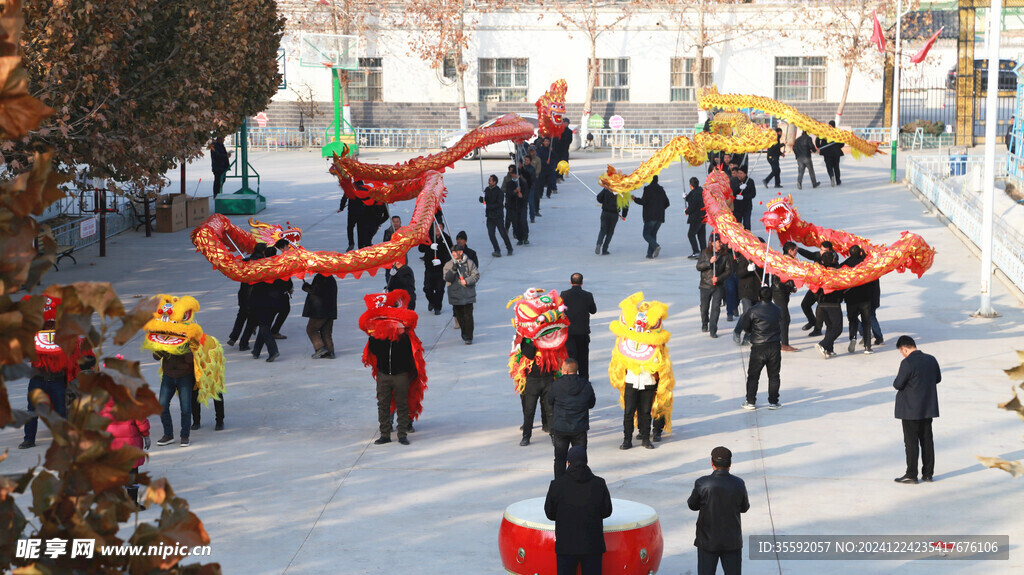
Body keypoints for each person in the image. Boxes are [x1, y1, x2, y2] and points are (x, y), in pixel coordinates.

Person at [544, 446, 612, 575]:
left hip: (566, 546)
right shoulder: (599, 483)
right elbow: (607, 511)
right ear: (586, 462)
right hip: (592, 545)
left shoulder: (556, 485)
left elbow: (550, 513)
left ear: (568, 463)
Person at [687, 446, 750, 575]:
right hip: (732, 541)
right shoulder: (739, 483)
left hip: (707, 542)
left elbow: (692, 505)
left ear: (712, 463)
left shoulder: (702, 483)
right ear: (730, 464)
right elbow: (744, 508)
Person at [893, 336, 941, 484]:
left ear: (904, 348)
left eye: (902, 351)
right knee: (927, 441)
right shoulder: (931, 359)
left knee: (911, 442)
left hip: (909, 410)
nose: (902, 354)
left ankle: (911, 474)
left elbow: (898, 384)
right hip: (927, 407)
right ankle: (927, 474)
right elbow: (938, 378)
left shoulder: (907, 362)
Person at [546, 359, 596, 479]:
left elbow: (549, 402)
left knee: (559, 459)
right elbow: (591, 403)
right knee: (580, 460)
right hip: (579, 428)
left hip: (561, 428)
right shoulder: (586, 385)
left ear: (565, 370)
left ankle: (559, 484)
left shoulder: (556, 385)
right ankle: (580, 483)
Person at [369, 323, 416, 446]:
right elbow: (373, 350)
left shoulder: (404, 336)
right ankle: (384, 434)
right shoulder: (379, 336)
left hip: (400, 374)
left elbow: (409, 353)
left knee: (402, 404)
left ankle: (402, 435)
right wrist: (374, 336)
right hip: (383, 374)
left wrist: (401, 334)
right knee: (383, 404)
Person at [738, 288, 783, 410]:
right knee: (774, 375)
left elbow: (746, 327)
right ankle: (773, 402)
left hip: (758, 346)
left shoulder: (753, 311)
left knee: (753, 376)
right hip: (774, 346)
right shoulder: (777, 310)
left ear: (759, 297)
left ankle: (751, 401)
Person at [100, 398, 150, 506]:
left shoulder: (103, 401)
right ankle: (132, 503)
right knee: (132, 473)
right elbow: (140, 419)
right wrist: (146, 434)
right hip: (130, 445)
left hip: (112, 444)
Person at [248, 247, 284, 362]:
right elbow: (286, 284)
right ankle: (256, 351)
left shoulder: (260, 268)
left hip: (261, 302)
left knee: (264, 327)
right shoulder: (279, 268)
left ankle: (273, 351)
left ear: (264, 254)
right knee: (265, 326)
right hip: (275, 303)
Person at [154, 345, 195, 447]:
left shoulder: (188, 335)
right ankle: (168, 435)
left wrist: (183, 348)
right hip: (168, 376)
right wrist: (162, 348)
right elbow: (156, 356)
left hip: (185, 376)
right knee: (162, 405)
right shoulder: (165, 336)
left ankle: (185, 436)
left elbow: (190, 360)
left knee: (185, 408)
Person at [226, 243, 265, 348]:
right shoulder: (263, 263)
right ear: (263, 252)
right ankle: (243, 343)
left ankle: (233, 337)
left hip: (243, 294)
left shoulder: (245, 261)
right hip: (254, 295)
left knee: (241, 316)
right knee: (251, 320)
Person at [519, 337, 556, 446]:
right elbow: (529, 354)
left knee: (550, 410)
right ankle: (526, 436)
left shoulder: (551, 336)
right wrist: (533, 340)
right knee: (529, 410)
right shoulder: (525, 340)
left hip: (548, 378)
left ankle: (554, 435)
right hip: (532, 380)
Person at [697, 234, 733, 338]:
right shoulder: (705, 252)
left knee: (716, 308)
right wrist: (709, 262)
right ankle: (705, 322)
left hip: (718, 286)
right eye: (718, 242)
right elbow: (698, 266)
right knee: (704, 308)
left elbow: (728, 271)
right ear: (712, 243)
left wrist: (719, 278)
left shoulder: (725, 255)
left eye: (721, 242)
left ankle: (713, 329)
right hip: (705, 285)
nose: (721, 244)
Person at [562, 273, 597, 382]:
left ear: (570, 282)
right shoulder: (588, 295)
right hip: (583, 332)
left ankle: (570, 378)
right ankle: (584, 380)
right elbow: (593, 310)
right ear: (582, 282)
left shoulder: (564, 294)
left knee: (571, 356)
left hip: (569, 331)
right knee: (583, 357)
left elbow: (559, 310)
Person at [840, 245, 874, 354]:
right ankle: (867, 347)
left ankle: (853, 338)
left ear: (849, 253)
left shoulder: (845, 264)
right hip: (865, 297)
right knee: (866, 322)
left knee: (853, 321)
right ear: (860, 253)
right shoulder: (865, 264)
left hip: (851, 299)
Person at [443, 246, 480, 344]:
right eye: (452, 252)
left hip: (468, 294)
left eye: (455, 252)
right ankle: (464, 331)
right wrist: (453, 270)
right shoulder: (448, 264)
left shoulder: (470, 263)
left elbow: (476, 275)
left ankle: (469, 336)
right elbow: (447, 278)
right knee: (460, 316)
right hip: (455, 294)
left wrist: (467, 281)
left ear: (461, 252)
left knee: (468, 315)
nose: (454, 253)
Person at [797, 240, 834, 336]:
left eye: (825, 250)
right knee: (805, 304)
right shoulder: (818, 255)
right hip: (815, 286)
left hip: (825, 288)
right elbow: (809, 254)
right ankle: (812, 321)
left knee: (820, 309)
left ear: (830, 251)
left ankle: (818, 329)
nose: (822, 252)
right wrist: (798, 249)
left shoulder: (833, 258)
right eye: (821, 250)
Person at [631, 174, 670, 259]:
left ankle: (656, 246)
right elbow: (667, 203)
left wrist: (635, 199)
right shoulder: (661, 189)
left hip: (650, 216)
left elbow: (643, 202)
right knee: (653, 234)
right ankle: (649, 254)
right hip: (660, 217)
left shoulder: (648, 189)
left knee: (646, 234)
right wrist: (660, 209)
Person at [813, 251, 843, 359]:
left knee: (830, 327)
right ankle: (823, 344)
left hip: (821, 303)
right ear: (833, 260)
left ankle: (829, 349)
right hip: (833, 303)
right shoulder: (836, 271)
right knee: (837, 328)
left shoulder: (818, 271)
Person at [418, 221, 452, 315]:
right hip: (429, 268)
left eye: (439, 227)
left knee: (439, 289)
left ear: (443, 229)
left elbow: (450, 253)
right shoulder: (428, 237)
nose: (437, 229)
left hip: (441, 269)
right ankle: (432, 301)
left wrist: (442, 262)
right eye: (436, 227)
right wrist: (429, 246)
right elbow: (420, 248)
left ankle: (437, 307)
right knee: (427, 288)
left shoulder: (446, 239)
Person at [302, 273, 338, 359]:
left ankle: (320, 348)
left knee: (311, 329)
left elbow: (318, 291)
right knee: (326, 332)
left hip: (320, 311)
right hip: (330, 310)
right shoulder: (331, 278)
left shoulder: (321, 278)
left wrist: (307, 287)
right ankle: (330, 352)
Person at [731, 250, 763, 344]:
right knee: (747, 312)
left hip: (757, 290)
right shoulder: (744, 257)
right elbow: (738, 273)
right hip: (746, 290)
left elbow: (765, 273)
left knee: (754, 315)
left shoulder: (762, 260)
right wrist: (747, 269)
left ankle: (748, 336)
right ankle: (737, 330)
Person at [773, 242, 799, 352]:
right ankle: (784, 344)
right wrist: (790, 285)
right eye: (795, 251)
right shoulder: (786, 261)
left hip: (782, 291)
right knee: (784, 318)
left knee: (783, 318)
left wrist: (791, 286)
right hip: (780, 291)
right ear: (790, 251)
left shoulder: (781, 259)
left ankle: (779, 341)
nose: (796, 253)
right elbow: (783, 277)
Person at [480, 174, 514, 257]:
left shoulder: (499, 192)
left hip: (498, 216)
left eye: (490, 180)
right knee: (491, 234)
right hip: (490, 216)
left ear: (494, 182)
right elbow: (481, 200)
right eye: (489, 180)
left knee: (503, 233)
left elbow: (499, 204)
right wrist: (482, 197)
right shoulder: (487, 190)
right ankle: (497, 250)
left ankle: (509, 248)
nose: (488, 182)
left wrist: (488, 206)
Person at [270, 239, 294, 339]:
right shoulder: (280, 259)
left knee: (273, 310)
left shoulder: (273, 255)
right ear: (281, 248)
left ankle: (257, 325)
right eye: (287, 247)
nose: (289, 248)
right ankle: (273, 331)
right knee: (284, 309)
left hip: (274, 290)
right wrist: (289, 287)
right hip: (279, 290)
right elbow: (285, 276)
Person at [595, 186, 628, 255]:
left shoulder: (607, 189)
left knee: (603, 230)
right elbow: (625, 205)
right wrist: (624, 215)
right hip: (614, 214)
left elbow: (599, 198)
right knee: (610, 232)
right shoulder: (621, 191)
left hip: (605, 212)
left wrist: (604, 200)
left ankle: (599, 244)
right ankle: (605, 249)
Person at [503, 165, 530, 245]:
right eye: (513, 174)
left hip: (522, 206)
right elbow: (508, 194)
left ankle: (525, 238)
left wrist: (522, 196)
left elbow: (526, 194)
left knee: (523, 221)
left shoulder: (523, 183)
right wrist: (515, 192)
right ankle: (519, 238)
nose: (515, 176)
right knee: (516, 223)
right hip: (513, 207)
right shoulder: (509, 184)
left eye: (516, 174)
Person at [816, 120, 845, 186]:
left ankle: (831, 176)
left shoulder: (824, 132)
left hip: (827, 152)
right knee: (836, 167)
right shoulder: (838, 133)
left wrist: (821, 147)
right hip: (836, 152)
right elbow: (842, 144)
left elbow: (818, 139)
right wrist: (838, 147)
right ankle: (838, 181)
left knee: (829, 166)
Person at [685, 177, 706, 259]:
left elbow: (693, 206)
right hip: (703, 217)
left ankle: (696, 251)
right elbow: (690, 198)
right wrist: (686, 197)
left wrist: (686, 211)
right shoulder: (700, 191)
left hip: (696, 217)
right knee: (701, 235)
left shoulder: (696, 194)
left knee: (691, 234)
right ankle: (704, 252)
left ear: (691, 185)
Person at [729, 166, 756, 231]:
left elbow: (753, 194)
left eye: (741, 173)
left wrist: (744, 197)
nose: (739, 175)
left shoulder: (750, 181)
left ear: (745, 174)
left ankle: (748, 237)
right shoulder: (733, 181)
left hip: (747, 207)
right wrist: (739, 187)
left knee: (747, 224)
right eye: (738, 173)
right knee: (737, 224)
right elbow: (731, 192)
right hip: (736, 207)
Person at [382, 216, 402, 284]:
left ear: (400, 222)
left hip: (401, 259)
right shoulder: (388, 232)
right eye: (394, 222)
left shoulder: (404, 232)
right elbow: (385, 245)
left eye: (397, 221)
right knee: (389, 277)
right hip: (390, 259)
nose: (395, 223)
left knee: (401, 277)